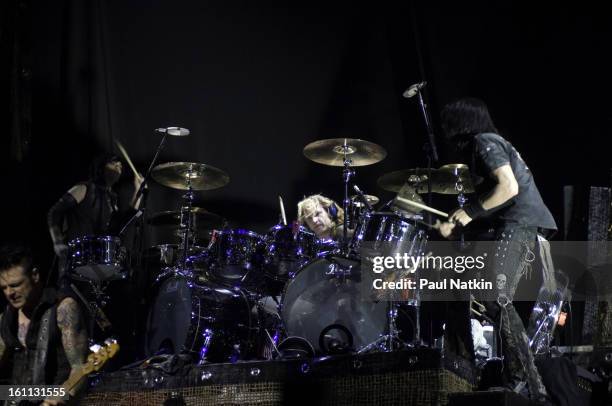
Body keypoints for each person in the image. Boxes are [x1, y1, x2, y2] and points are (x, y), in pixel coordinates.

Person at [435, 97, 557, 402]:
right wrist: (460, 224)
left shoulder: (484, 141)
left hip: (520, 222)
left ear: (459, 122)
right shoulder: (488, 143)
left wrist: (469, 212)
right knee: (488, 296)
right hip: (515, 222)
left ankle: (527, 379)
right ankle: (516, 375)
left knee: (494, 296)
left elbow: (508, 187)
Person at [0, 245, 88, 405]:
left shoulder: (63, 308)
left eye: (15, 285)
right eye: (4, 288)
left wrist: (63, 395)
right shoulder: (7, 316)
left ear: (35, 275)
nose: (9, 293)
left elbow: (80, 369)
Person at [47, 153, 143, 277]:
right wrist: (58, 242)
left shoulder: (112, 199)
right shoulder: (84, 188)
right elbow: (54, 212)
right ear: (100, 168)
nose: (118, 168)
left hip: (99, 261)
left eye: (119, 166)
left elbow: (124, 225)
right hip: (76, 258)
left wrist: (138, 191)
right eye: (113, 164)